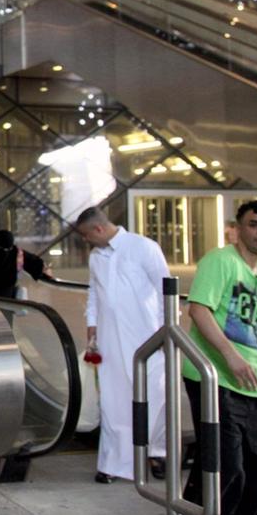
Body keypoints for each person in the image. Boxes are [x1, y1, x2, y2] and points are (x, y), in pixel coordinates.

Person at [182, 200, 257, 515]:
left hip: (254, 383)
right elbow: (198, 310)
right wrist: (230, 356)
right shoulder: (220, 261)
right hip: (215, 377)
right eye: (254, 224)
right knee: (229, 466)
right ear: (237, 229)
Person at [75, 207, 169, 484]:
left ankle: (157, 452)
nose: (86, 241)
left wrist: (167, 333)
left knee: (154, 396)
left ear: (99, 229)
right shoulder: (96, 257)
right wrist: (91, 322)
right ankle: (115, 463)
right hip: (109, 340)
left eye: (86, 235)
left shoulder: (144, 248)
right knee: (113, 401)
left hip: (146, 337)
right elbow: (94, 292)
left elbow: (167, 290)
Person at [0, 230, 52, 298]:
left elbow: (34, 262)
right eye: (2, 248)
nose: (5, 251)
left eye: (8, 249)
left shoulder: (14, 252)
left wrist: (44, 269)